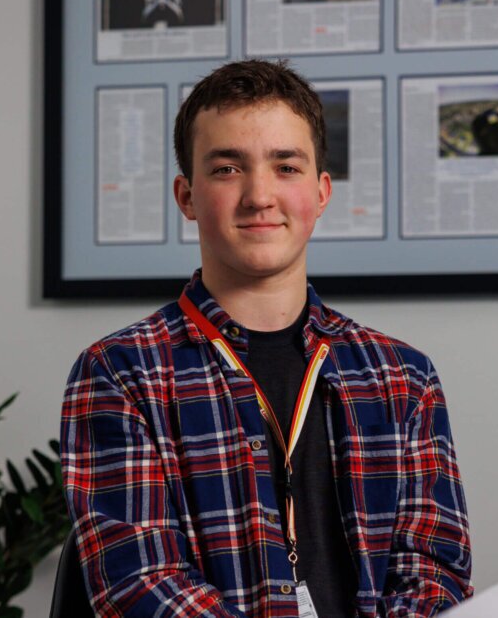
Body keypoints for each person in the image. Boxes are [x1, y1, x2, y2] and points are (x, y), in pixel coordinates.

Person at [61, 59, 472, 618]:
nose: (259, 195)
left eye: (286, 167)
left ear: (321, 193)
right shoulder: (120, 373)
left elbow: (434, 573)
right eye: (228, 168)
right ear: (186, 196)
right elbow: (141, 586)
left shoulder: (404, 378)